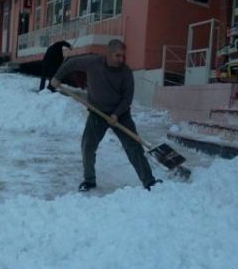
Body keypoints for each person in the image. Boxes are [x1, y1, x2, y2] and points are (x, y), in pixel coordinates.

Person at [50, 39, 158, 191]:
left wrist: (116, 114)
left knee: (134, 147)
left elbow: (127, 98)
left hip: (121, 114)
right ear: (108, 54)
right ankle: (89, 180)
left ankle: (149, 181)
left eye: (123, 56)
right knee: (88, 146)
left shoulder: (126, 73)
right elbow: (70, 64)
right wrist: (57, 78)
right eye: (117, 56)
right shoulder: (93, 62)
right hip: (97, 113)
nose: (121, 59)